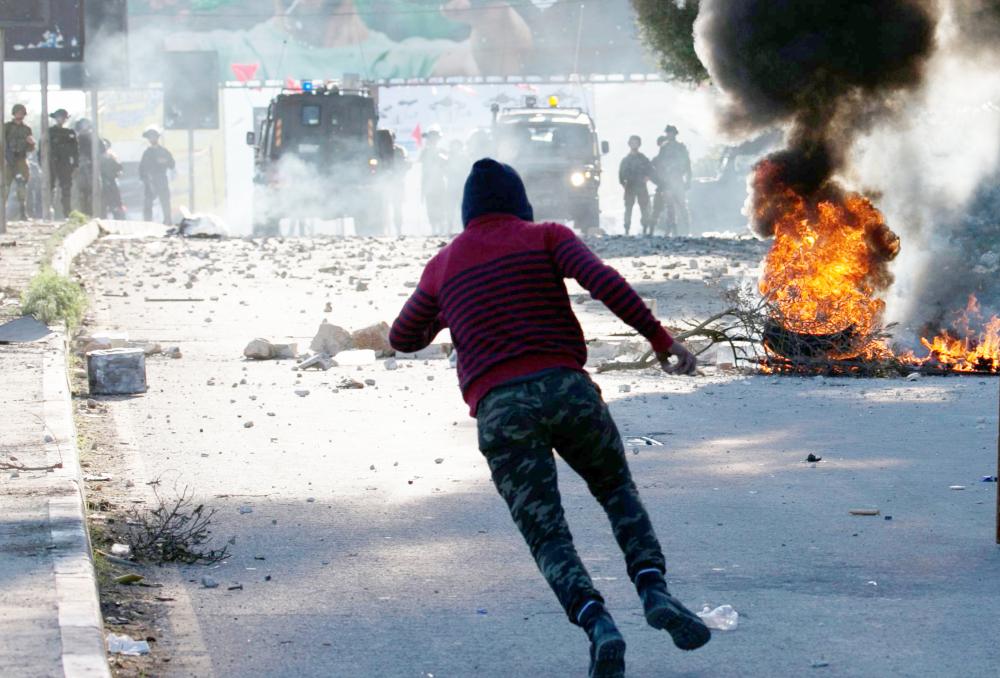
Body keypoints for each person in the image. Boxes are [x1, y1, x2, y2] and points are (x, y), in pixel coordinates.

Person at [389, 159, 709, 678]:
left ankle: (597, 622)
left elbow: (402, 337)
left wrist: (448, 310)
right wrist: (659, 338)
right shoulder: (546, 236)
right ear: (521, 203)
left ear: (467, 212)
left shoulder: (443, 265)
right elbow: (604, 283)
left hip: (501, 410)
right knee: (616, 491)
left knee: (548, 533)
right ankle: (653, 591)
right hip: (568, 391)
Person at [651, 125, 691, 236]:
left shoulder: (681, 147)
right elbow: (658, 163)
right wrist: (660, 180)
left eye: (671, 133)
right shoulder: (664, 148)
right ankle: (672, 231)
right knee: (670, 207)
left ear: (675, 134)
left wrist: (688, 180)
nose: (669, 135)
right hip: (667, 181)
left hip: (678, 179)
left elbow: (687, 165)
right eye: (668, 133)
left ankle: (687, 230)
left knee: (682, 206)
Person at [3, 104, 37, 220]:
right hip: (7, 160)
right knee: (5, 187)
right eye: (18, 112)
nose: (20, 115)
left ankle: (23, 213)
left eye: (22, 113)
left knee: (22, 186)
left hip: (21, 159)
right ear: (14, 113)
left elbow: (30, 148)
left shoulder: (27, 129)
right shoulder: (6, 127)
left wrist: (31, 143)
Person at [139, 127, 175, 225]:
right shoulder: (147, 153)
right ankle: (147, 222)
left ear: (157, 138)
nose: (152, 139)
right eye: (150, 137)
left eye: (154, 136)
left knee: (165, 201)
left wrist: (165, 161)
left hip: (161, 178)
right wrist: (146, 180)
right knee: (148, 202)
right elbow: (142, 169)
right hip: (150, 180)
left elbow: (172, 164)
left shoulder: (164, 151)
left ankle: (167, 221)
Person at [47, 109, 79, 218]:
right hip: (52, 163)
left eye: (63, 117)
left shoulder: (70, 132)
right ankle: (48, 211)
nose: (61, 119)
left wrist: (75, 165)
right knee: (50, 188)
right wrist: (42, 165)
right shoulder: (50, 132)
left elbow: (75, 150)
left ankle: (67, 212)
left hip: (65, 164)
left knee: (66, 188)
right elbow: (42, 150)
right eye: (59, 117)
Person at [618, 135, 652, 236]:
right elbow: (620, 175)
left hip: (641, 186)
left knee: (644, 208)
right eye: (632, 142)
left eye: (636, 142)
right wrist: (624, 185)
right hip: (630, 186)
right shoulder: (626, 160)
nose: (634, 144)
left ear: (639, 144)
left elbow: (650, 170)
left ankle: (645, 228)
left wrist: (647, 177)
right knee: (628, 208)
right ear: (629, 144)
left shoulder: (643, 158)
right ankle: (627, 229)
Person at [420, 126, 449, 234]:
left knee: (441, 206)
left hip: (439, 183)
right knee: (430, 207)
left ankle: (441, 226)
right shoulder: (425, 152)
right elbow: (422, 170)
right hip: (428, 184)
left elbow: (447, 165)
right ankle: (434, 228)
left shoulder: (442, 152)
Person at [385, 132, 409, 236]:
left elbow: (405, 164)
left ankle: (398, 229)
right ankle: (386, 229)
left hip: (397, 182)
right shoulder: (381, 150)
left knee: (397, 208)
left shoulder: (399, 150)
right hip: (386, 181)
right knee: (383, 208)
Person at [99, 138, 126, 220]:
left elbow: (119, 169)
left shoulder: (112, 157)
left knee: (117, 204)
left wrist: (117, 173)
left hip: (111, 183)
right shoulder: (96, 158)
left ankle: (120, 220)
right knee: (102, 207)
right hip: (101, 184)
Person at [73, 118, 95, 216]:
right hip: (79, 169)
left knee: (92, 192)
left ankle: (91, 212)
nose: (84, 130)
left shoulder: (94, 139)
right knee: (80, 192)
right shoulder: (74, 140)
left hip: (92, 169)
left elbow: (101, 152)